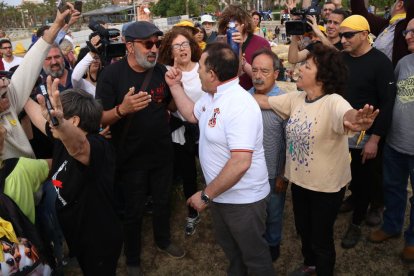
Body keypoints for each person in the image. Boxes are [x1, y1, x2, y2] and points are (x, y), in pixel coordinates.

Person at [254, 44, 379, 276]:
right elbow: (264, 102)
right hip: (300, 182)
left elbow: (347, 115)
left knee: (321, 237)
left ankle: (323, 270)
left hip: (326, 188)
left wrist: (356, 119)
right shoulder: (297, 99)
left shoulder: (333, 101)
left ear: (321, 76)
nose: (299, 69)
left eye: (306, 66)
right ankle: (310, 265)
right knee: (304, 229)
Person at [166, 42, 275, 275]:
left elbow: (241, 162)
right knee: (233, 252)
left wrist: (206, 195)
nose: (197, 73)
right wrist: (175, 86)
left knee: (254, 257)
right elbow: (193, 114)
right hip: (222, 195)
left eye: (201, 70)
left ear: (213, 74)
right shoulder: (212, 96)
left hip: (244, 200)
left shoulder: (239, 105)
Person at [95, 21, 185, 275]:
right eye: (148, 44)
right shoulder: (111, 75)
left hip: (162, 153)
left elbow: (170, 107)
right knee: (133, 210)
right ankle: (132, 256)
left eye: (157, 43)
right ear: (129, 45)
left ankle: (163, 239)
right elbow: (99, 118)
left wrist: (177, 85)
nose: (154, 48)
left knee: (162, 200)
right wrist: (123, 110)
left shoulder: (161, 72)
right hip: (130, 158)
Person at [24, 76, 122, 275]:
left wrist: (59, 124)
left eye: (59, 118)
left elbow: (79, 147)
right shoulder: (61, 140)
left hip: (99, 240)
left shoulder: (97, 147)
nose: (51, 123)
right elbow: (36, 116)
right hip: (79, 233)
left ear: (74, 121)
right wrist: (18, 91)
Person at [339, 15, 396, 249]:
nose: (342, 39)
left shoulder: (381, 63)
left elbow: (388, 102)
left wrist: (375, 139)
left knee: (364, 181)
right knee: (343, 176)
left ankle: (356, 222)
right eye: (342, 35)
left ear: (364, 34)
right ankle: (348, 203)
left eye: (348, 35)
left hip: (366, 137)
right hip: (340, 132)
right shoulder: (340, 59)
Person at [0, 6, 79, 160]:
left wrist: (57, 24)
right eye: (49, 59)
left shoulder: (7, 96)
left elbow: (31, 63)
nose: (54, 62)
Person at [368, 18, 414, 262]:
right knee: (393, 189)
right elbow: (393, 99)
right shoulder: (403, 63)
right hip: (396, 143)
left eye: (413, 31)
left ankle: (412, 240)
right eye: (407, 31)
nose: (407, 35)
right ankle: (392, 226)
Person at [158, 28, 203, 236]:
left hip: (205, 129)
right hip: (181, 131)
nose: (182, 49)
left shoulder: (204, 66)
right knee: (188, 175)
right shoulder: (167, 72)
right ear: (170, 50)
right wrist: (176, 87)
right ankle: (192, 212)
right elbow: (168, 106)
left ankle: (218, 202)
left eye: (185, 44)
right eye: (176, 46)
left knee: (212, 168)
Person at [249, 48, 287, 262]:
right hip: (247, 172)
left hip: (273, 173)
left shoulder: (285, 102)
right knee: (253, 213)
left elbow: (289, 143)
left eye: (264, 70)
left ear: (276, 73)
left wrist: (283, 175)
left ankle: (273, 242)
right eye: (254, 70)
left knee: (274, 212)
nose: (258, 75)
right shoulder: (243, 98)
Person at [217, 4, 270, 90]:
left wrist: (243, 62)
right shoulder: (220, 44)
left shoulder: (261, 43)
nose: (231, 30)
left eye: (235, 25)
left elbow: (266, 79)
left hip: (254, 97)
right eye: (227, 27)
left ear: (244, 24)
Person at [351, 0, 414, 67]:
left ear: (399, 4)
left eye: (393, 3)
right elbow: (360, 15)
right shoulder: (386, 25)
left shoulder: (407, 24)